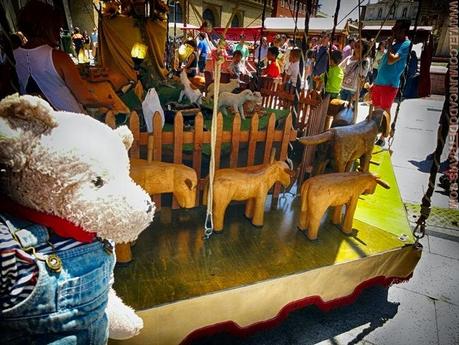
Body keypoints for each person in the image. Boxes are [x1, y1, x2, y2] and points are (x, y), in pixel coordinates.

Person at [13, 1, 112, 113]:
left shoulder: (14, 56)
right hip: (70, 119)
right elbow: (85, 99)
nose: (59, 33)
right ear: (47, 28)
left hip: (38, 120)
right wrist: (107, 103)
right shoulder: (58, 57)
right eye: (57, 27)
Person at [372, 19, 412, 146]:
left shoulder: (406, 44)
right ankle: (375, 133)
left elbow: (391, 60)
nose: (393, 31)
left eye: (396, 29)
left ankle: (383, 137)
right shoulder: (395, 44)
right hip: (380, 82)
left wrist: (389, 45)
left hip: (389, 84)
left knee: (385, 112)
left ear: (403, 30)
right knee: (376, 110)